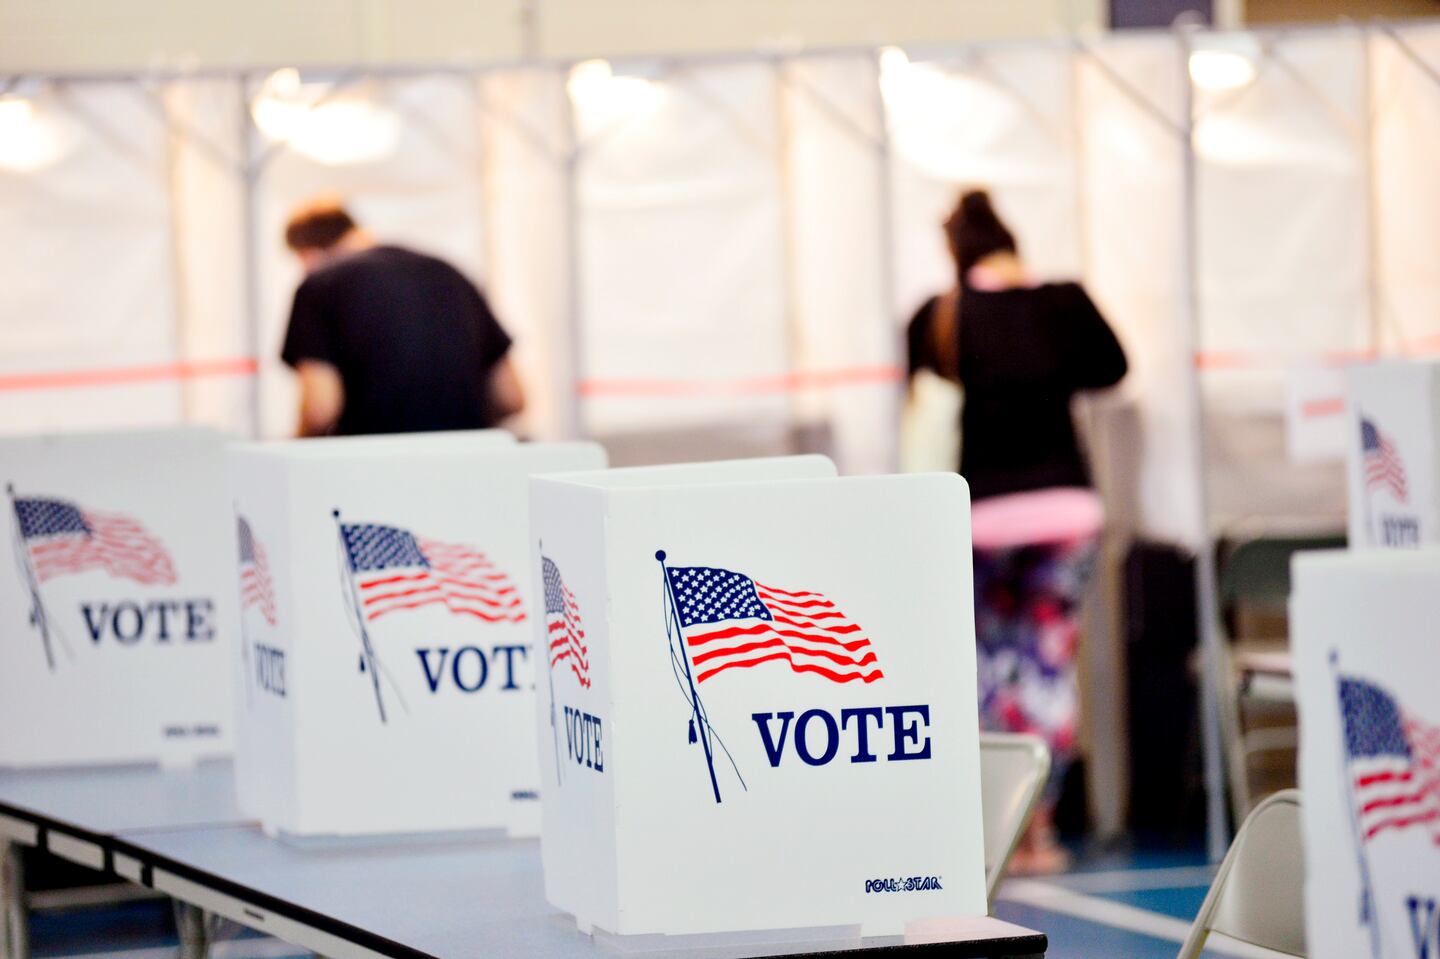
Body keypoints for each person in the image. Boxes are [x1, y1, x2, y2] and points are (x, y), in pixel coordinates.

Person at [907, 189, 1127, 874]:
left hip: (981, 519)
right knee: (1046, 667)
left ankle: (993, 830)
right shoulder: (1063, 304)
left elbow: (920, 392)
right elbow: (1113, 368)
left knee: (983, 668)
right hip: (1064, 513)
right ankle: (1040, 828)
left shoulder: (940, 315)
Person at [279, 198, 524, 436]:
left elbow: (320, 409)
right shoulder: (451, 274)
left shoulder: (318, 285)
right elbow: (512, 398)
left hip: (374, 464)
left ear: (307, 254)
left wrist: (296, 447)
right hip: (470, 461)